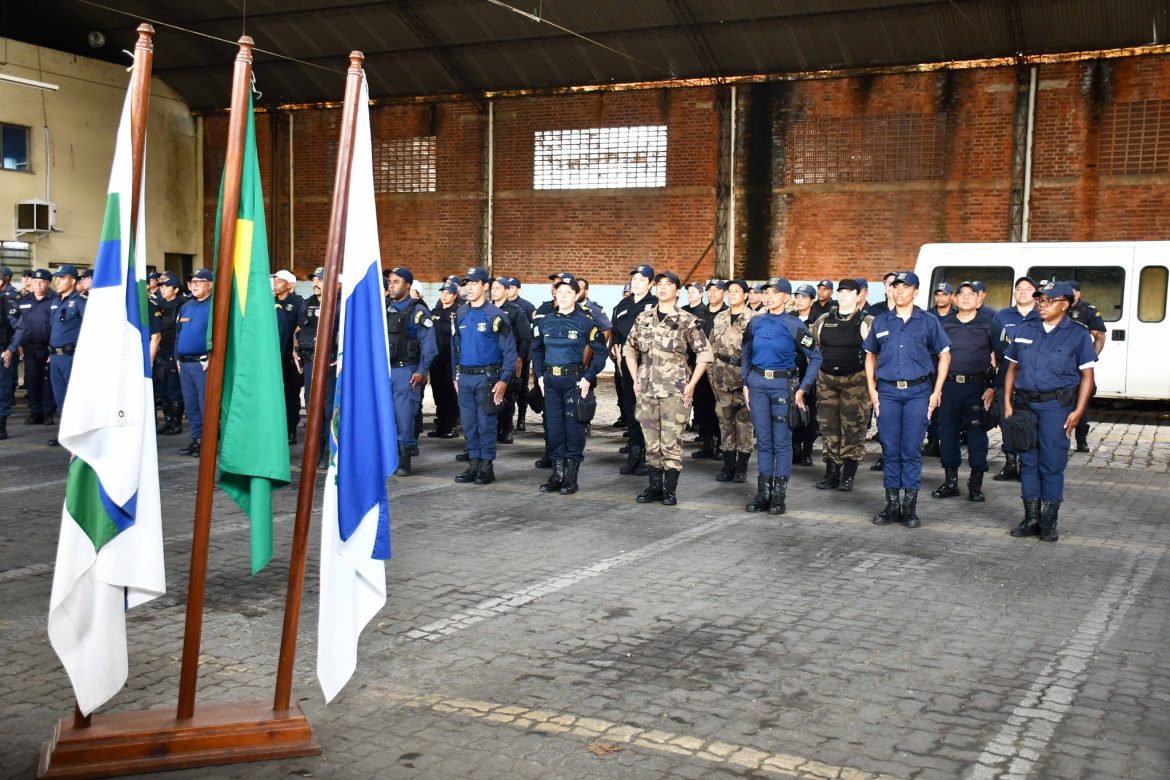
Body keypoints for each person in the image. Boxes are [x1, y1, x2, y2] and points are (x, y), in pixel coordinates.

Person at [1003, 281, 1096, 542]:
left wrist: (1078, 411)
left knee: (1051, 465)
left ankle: (1048, 522)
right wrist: (1008, 402)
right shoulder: (1024, 328)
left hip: (1056, 406)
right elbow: (1011, 368)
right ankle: (1031, 518)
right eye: (1040, 300)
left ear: (1064, 304)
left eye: (1048, 301)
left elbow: (1087, 375)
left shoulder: (1077, 334)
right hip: (1024, 405)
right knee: (1028, 463)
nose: (1042, 305)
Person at [863, 271, 951, 528]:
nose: (899, 291)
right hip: (888, 392)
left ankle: (909, 508)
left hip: (918, 393)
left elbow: (945, 355)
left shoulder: (928, 321)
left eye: (905, 287)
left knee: (911, 450)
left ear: (915, 291)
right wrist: (872, 389)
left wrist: (936, 391)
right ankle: (892, 505)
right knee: (890, 448)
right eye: (895, 287)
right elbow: (870, 356)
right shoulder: (881, 322)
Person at [623, 270, 712, 506]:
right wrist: (635, 379)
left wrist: (692, 385)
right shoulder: (643, 319)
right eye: (659, 284)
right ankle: (654, 487)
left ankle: (669, 490)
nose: (662, 288)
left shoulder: (686, 320)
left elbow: (705, 353)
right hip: (647, 390)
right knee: (651, 442)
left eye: (668, 284)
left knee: (671, 443)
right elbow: (629, 350)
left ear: (677, 290)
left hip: (675, 391)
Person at [739, 277, 823, 515]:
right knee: (763, 441)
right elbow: (745, 353)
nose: (769, 296)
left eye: (775, 292)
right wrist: (746, 382)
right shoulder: (755, 323)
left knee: (781, 442)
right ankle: (763, 494)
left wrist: (803, 389)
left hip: (782, 386)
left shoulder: (794, 324)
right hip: (757, 385)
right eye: (766, 292)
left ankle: (779, 496)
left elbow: (815, 357)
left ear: (786, 297)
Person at [531, 273, 607, 495]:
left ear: (577, 295)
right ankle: (557, 475)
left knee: (573, 430)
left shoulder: (585, 321)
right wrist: (539, 376)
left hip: (574, 382)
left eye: (568, 293)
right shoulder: (545, 321)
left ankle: (571, 478)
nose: (562, 296)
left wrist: (588, 377)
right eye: (559, 292)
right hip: (550, 383)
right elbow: (535, 349)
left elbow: (601, 352)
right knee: (553, 429)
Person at [931, 282, 997, 502]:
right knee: (947, 434)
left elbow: (1002, 358)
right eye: (961, 294)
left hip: (977, 388)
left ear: (979, 299)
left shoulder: (989, 325)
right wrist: (936, 388)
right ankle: (951, 482)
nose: (966, 298)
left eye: (971, 294)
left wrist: (992, 387)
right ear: (955, 300)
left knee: (977, 436)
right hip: (949, 387)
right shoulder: (943, 325)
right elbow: (934, 357)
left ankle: (975, 484)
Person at [451, 267, 518, 486]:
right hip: (466, 378)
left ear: (485, 286)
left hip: (488, 379)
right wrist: (455, 374)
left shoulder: (495, 316)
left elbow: (510, 351)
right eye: (466, 284)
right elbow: (456, 347)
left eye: (474, 283)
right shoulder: (460, 313)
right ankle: (473, 464)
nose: (469, 288)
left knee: (485, 424)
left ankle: (486, 467)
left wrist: (504, 380)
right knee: (469, 425)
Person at [809, 278, 873, 491]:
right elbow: (814, 349)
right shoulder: (824, 320)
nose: (843, 295)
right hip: (827, 380)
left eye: (849, 292)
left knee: (853, 427)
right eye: (841, 292)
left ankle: (848, 474)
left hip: (856, 382)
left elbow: (876, 354)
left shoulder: (867, 321)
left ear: (859, 295)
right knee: (828, 426)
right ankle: (832, 473)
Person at [385, 266, 438, 475]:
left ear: (408, 285)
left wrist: (422, 370)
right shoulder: (384, 308)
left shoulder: (418, 311)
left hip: (406, 371)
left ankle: (404, 459)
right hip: (385, 372)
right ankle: (388, 456)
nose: (391, 285)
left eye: (396, 281)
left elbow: (430, 346)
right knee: (386, 416)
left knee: (404, 417)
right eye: (390, 281)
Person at [610, 263, 658, 475]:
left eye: (641, 280)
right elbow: (617, 335)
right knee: (631, 410)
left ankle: (650, 458)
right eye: (634, 279)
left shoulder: (655, 305)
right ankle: (635, 455)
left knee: (648, 412)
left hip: (649, 366)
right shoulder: (623, 305)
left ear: (651, 283)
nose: (636, 283)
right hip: (627, 364)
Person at [708, 279, 756, 483]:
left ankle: (741, 468)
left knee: (744, 425)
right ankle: (728, 466)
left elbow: (759, 351)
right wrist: (711, 373)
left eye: (737, 291)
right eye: (730, 291)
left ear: (746, 295)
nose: (732, 294)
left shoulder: (755, 319)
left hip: (744, 378)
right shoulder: (720, 317)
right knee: (725, 423)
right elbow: (711, 347)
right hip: (721, 378)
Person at [991, 276, 1037, 481]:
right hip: (1005, 377)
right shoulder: (1002, 316)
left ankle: (1029, 465)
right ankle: (1010, 464)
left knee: (1031, 421)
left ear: (1035, 293)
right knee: (1007, 421)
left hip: (1033, 380)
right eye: (1019, 289)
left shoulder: (1042, 315)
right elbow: (992, 346)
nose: (1022, 292)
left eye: (1027, 289)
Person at [295, 267, 338, 468]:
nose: (316, 283)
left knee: (329, 408)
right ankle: (316, 449)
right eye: (314, 279)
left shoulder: (339, 305)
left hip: (329, 363)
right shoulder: (307, 304)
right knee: (313, 408)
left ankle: (331, 449)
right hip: (310, 362)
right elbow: (300, 329)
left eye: (320, 279)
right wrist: (295, 349)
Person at [5, 268, 55, 425]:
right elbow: (16, 326)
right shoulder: (24, 301)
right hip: (29, 348)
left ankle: (48, 413)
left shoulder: (55, 300)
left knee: (48, 382)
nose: (38, 285)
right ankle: (35, 412)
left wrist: (53, 349)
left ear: (48, 284)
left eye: (42, 282)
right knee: (32, 381)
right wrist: (17, 344)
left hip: (48, 348)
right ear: (31, 284)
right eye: (35, 282)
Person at [46, 265, 87, 446]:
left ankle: (79, 436)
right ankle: (66, 435)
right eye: (57, 278)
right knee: (60, 396)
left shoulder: (80, 301)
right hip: (55, 357)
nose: (58, 281)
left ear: (72, 281)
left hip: (72, 357)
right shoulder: (56, 301)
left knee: (74, 397)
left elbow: (89, 328)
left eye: (62, 278)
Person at [175, 269, 214, 456]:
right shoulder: (186, 306)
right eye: (192, 282)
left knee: (205, 404)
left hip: (203, 364)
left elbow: (221, 336)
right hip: (185, 364)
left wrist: (212, 356)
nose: (194, 285)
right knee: (191, 405)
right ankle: (196, 439)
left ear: (210, 284)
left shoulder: (215, 307)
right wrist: (177, 358)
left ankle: (208, 443)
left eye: (199, 281)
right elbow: (178, 333)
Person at [1065, 279, 1106, 453]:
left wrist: (1089, 359)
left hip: (1078, 368)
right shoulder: (1057, 307)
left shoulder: (1087, 310)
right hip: (1059, 365)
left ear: (1078, 293)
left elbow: (1100, 336)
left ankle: (1081, 441)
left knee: (1080, 404)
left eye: (1072, 291)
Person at [490, 276, 531, 445]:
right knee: (489, 396)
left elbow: (526, 336)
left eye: (498, 288)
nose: (494, 291)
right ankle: (491, 430)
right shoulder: (485, 310)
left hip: (508, 360)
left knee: (508, 397)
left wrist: (520, 358)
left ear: (507, 291)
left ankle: (506, 430)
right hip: (490, 361)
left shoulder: (516, 311)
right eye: (492, 288)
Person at [688, 280, 725, 459]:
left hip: (720, 370)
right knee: (701, 405)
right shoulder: (699, 314)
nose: (713, 293)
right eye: (710, 290)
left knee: (719, 406)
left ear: (723, 293)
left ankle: (721, 444)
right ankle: (707, 442)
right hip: (699, 367)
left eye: (717, 290)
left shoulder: (726, 314)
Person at [149, 271, 185, 436]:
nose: (162, 289)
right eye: (161, 286)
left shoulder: (181, 305)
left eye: (166, 286)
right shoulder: (159, 304)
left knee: (173, 389)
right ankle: (168, 420)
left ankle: (176, 423)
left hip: (172, 350)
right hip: (161, 351)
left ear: (176, 289)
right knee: (162, 389)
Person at [789, 284, 820, 467]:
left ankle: (807, 450)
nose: (799, 300)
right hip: (791, 370)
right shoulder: (789, 318)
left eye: (804, 297)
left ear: (811, 300)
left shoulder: (817, 320)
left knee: (809, 412)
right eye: (797, 296)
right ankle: (795, 448)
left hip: (808, 371)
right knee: (792, 410)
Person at [428, 280, 461, 439]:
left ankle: (452, 425)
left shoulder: (459, 313)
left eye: (448, 293)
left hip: (451, 360)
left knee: (450, 394)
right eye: (442, 292)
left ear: (455, 295)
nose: (444, 295)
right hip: (436, 360)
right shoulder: (435, 311)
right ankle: (441, 424)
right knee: (438, 393)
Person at [506, 277, 535, 432]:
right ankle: (507, 420)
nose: (509, 289)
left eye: (512, 287)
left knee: (521, 387)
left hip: (521, 354)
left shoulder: (527, 306)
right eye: (507, 287)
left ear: (518, 289)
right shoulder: (496, 306)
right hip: (505, 355)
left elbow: (532, 332)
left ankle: (521, 419)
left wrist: (525, 355)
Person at [0, 286, 17, 440]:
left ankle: (1, 427)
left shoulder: (6, 302)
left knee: (2, 390)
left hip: (1, 351)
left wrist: (11, 349)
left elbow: (21, 327)